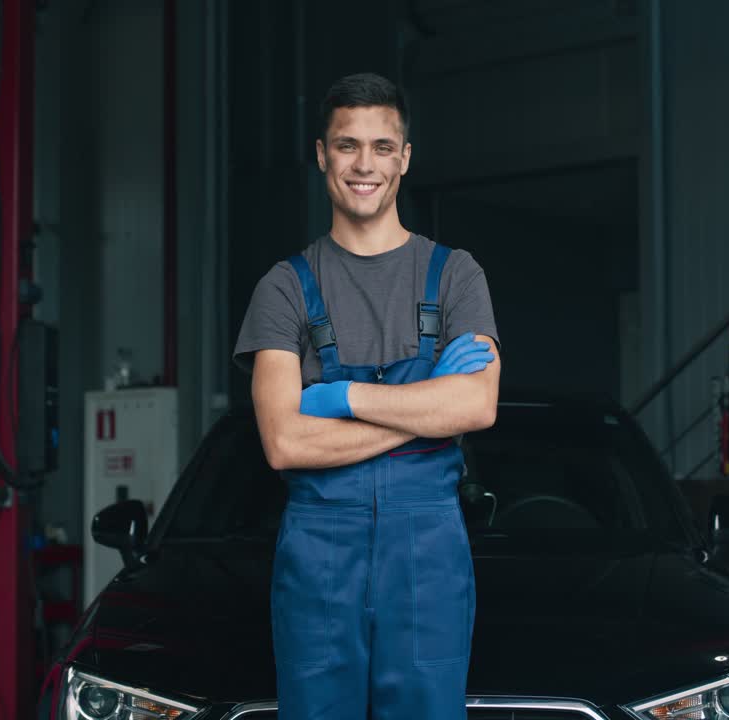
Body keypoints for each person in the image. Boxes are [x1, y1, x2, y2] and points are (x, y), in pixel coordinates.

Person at [233, 72, 501, 720]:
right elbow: (284, 441)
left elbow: (476, 407)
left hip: (428, 549)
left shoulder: (456, 274)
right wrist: (426, 410)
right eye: (347, 145)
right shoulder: (284, 287)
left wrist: (337, 396)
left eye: (382, 147)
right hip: (320, 549)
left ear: (405, 158)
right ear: (322, 155)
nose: (364, 164)